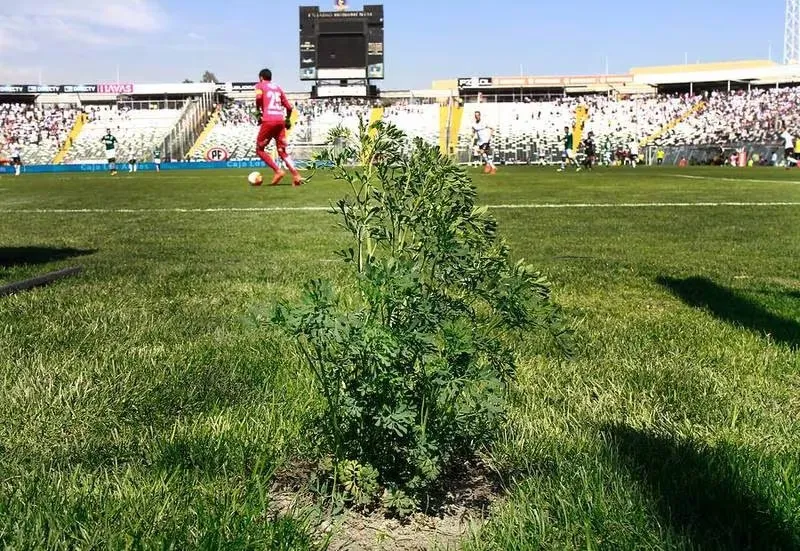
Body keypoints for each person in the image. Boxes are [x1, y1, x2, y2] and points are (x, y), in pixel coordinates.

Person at [254, 68, 302, 186]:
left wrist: (258, 111)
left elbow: (259, 98)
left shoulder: (259, 85)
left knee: (259, 149)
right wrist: (287, 120)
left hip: (268, 120)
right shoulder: (278, 88)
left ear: (261, 77)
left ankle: (278, 171)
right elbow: (289, 108)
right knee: (282, 151)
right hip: (280, 120)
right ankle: (296, 175)